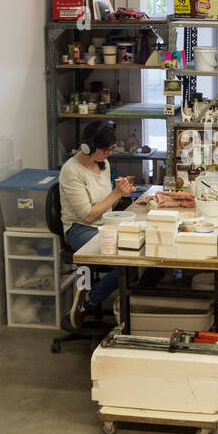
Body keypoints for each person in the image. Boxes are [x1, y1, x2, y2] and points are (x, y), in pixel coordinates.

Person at [59, 121, 161, 326]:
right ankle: (87, 303)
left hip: (105, 224)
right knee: (128, 263)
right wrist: (116, 193)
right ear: (88, 147)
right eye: (106, 150)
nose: (109, 154)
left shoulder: (102, 164)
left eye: (111, 149)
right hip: (80, 229)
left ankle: (134, 302)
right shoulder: (71, 171)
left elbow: (107, 203)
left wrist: (124, 193)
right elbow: (87, 215)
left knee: (152, 251)